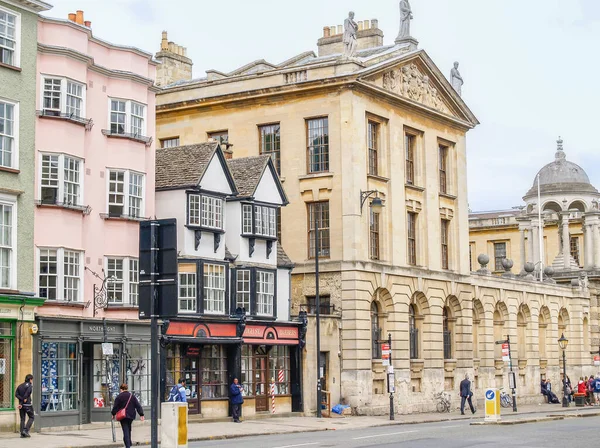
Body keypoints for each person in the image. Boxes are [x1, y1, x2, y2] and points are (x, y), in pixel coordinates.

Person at [111, 383, 144, 448]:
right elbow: (138, 405)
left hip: (123, 416)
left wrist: (113, 414)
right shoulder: (132, 396)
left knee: (125, 430)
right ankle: (129, 442)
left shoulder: (119, 397)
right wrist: (141, 414)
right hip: (131, 415)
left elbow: (115, 407)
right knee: (128, 429)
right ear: (126, 389)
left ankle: (128, 445)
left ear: (121, 389)